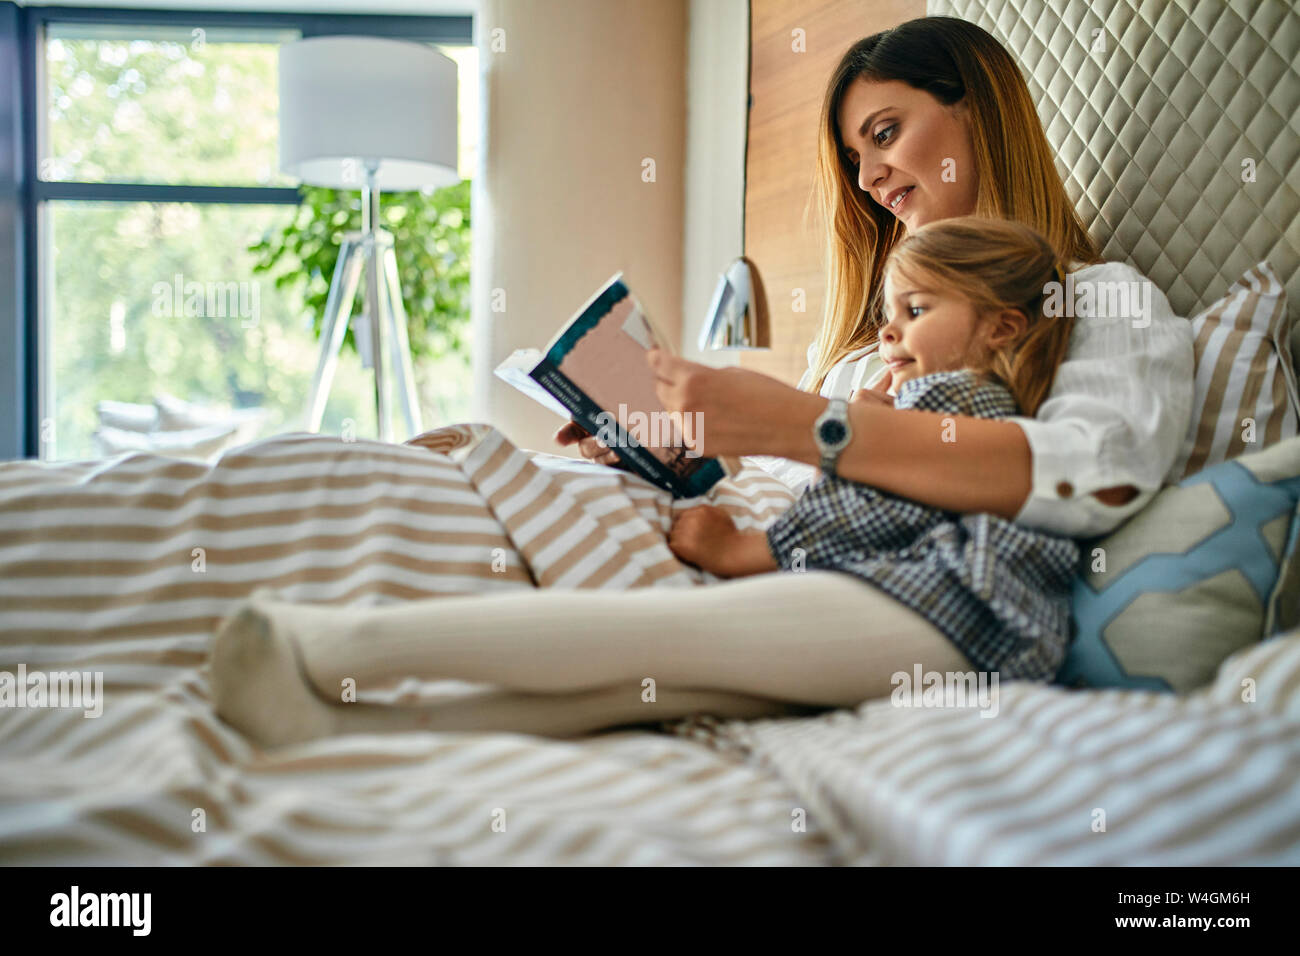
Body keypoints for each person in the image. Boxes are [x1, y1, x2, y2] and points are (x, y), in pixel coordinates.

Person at [209, 16, 1192, 747]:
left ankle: (331, 648)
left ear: (978, 110)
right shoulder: (866, 351)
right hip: (788, 552)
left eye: (886, 132)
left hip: (906, 589)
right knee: (623, 671)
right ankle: (335, 723)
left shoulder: (1095, 300)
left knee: (652, 642)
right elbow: (804, 482)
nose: (870, 176)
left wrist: (813, 429)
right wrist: (673, 451)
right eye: (855, 156)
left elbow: (1086, 476)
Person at [669, 216, 1081, 683]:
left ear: (1001, 328)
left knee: (665, 644)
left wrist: (741, 549)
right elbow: (847, 508)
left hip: (947, 606)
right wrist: (856, 437)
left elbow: (866, 515)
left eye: (917, 311)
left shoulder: (957, 396)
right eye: (890, 315)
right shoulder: (968, 411)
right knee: (681, 675)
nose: (888, 332)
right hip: (972, 629)